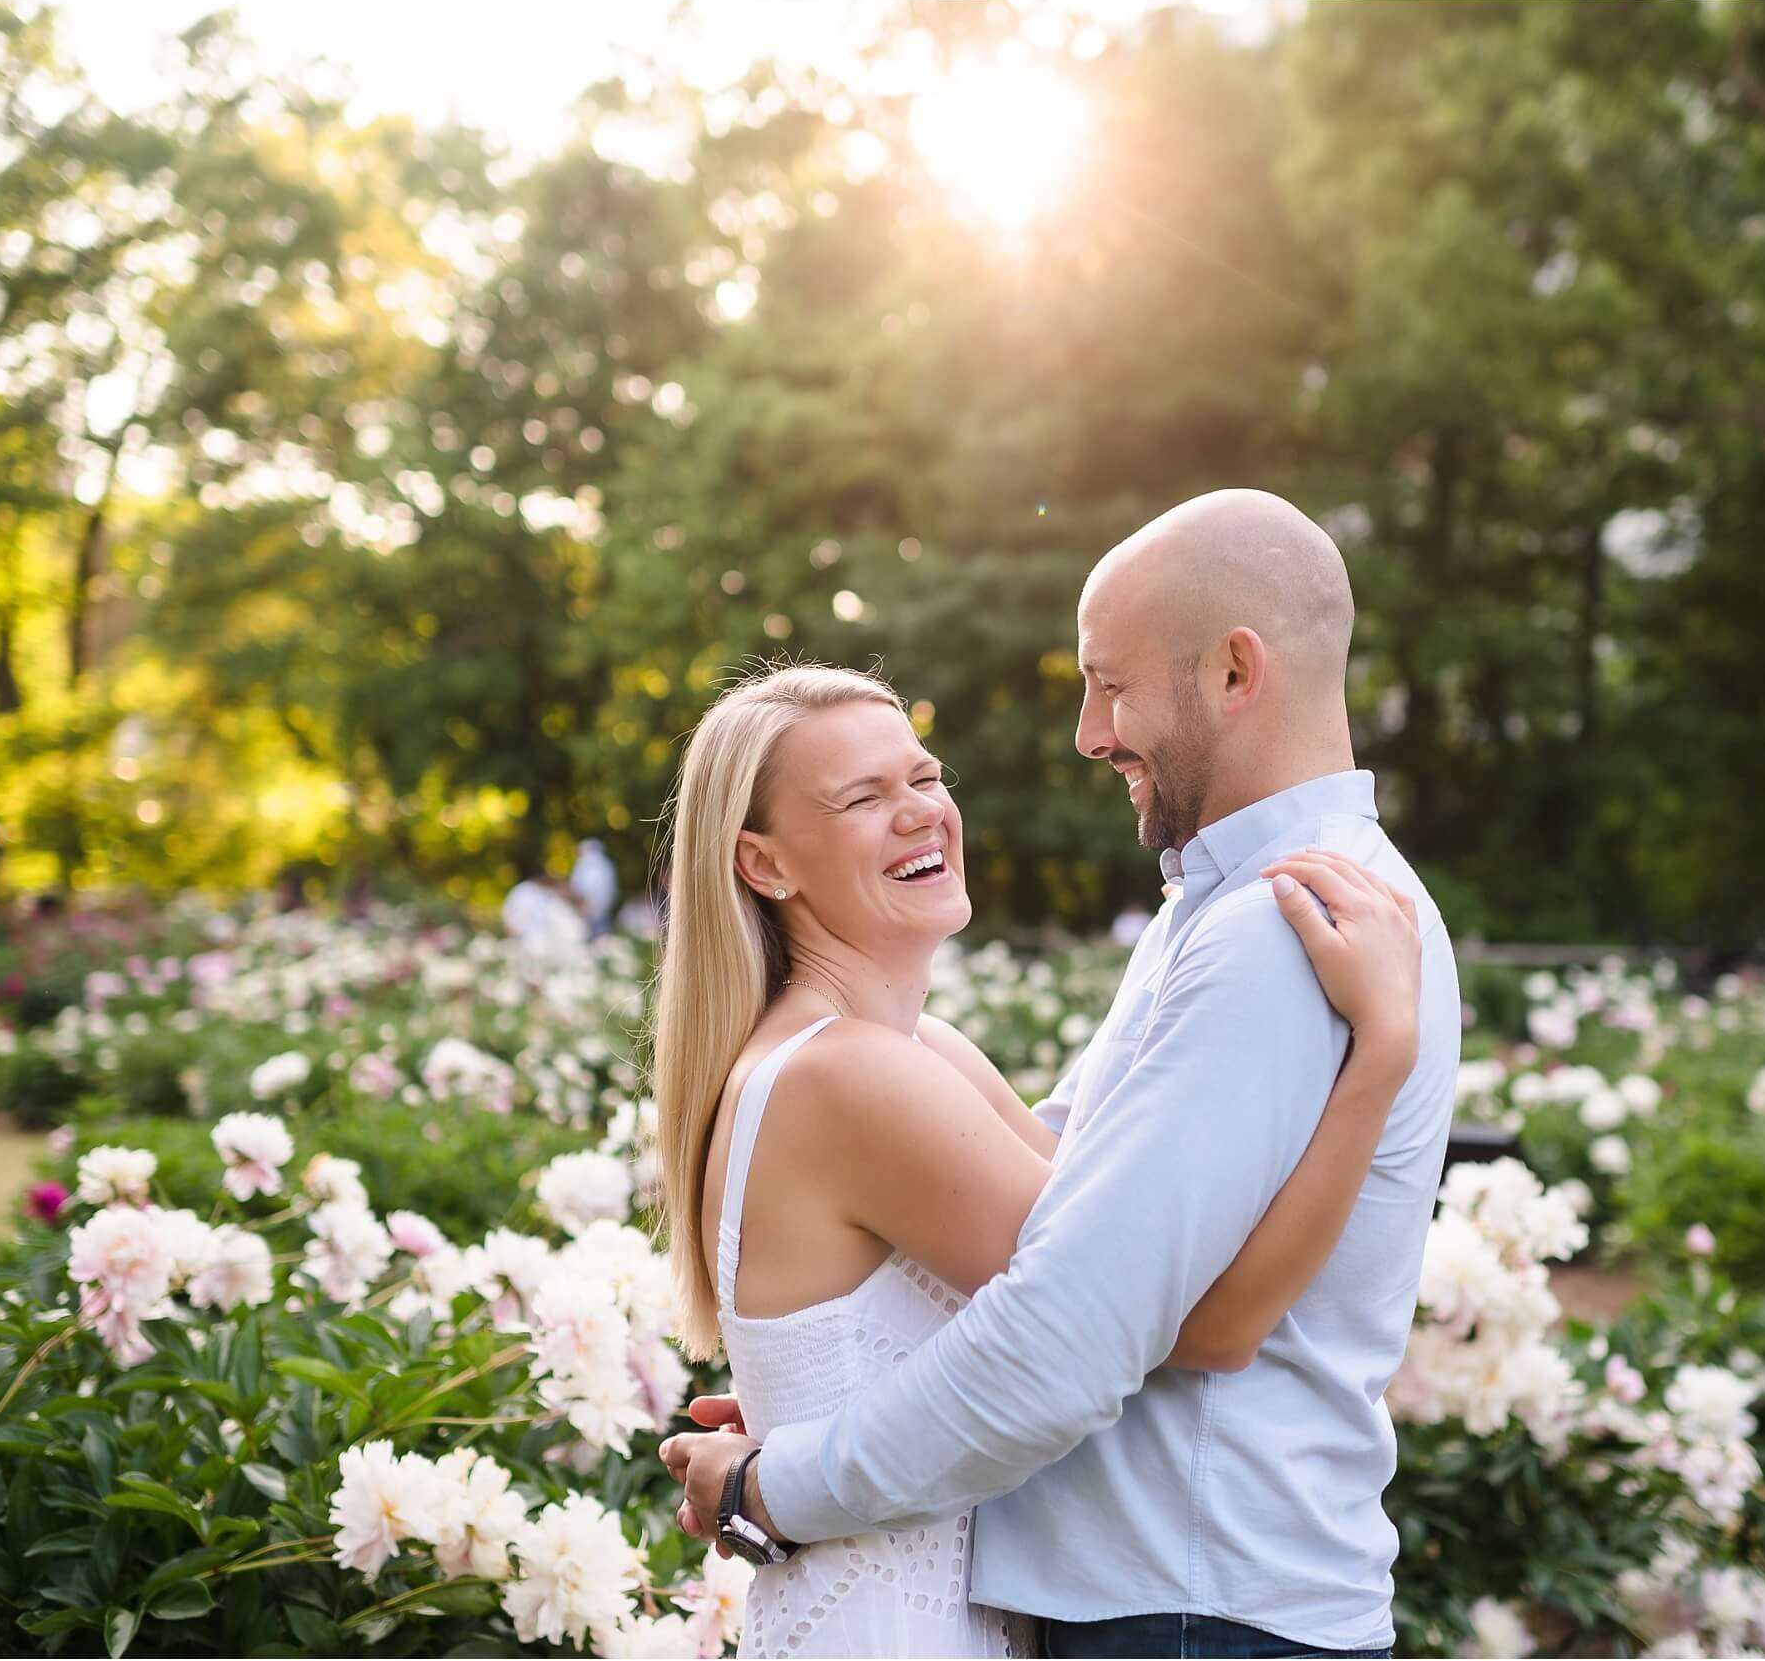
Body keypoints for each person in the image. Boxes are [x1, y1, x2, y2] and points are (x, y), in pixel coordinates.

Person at [662, 490, 1460, 1659]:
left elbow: (1124, 1317)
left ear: (1235, 673)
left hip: (1200, 1604)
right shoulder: (1213, 914)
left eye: (1111, 683)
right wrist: (821, 1409)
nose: (1088, 732)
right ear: (762, 863)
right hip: (1142, 1599)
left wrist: (775, 1480)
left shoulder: (1280, 922)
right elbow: (1096, 1254)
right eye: (862, 796)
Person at [501, 871, 587, 955]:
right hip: (531, 943)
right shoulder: (524, 893)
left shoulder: (549, 894)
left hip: (549, 945)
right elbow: (511, 922)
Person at [569, 837, 620, 939]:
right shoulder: (605, 864)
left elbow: (576, 886)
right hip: (593, 907)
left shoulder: (585, 865)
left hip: (592, 906)